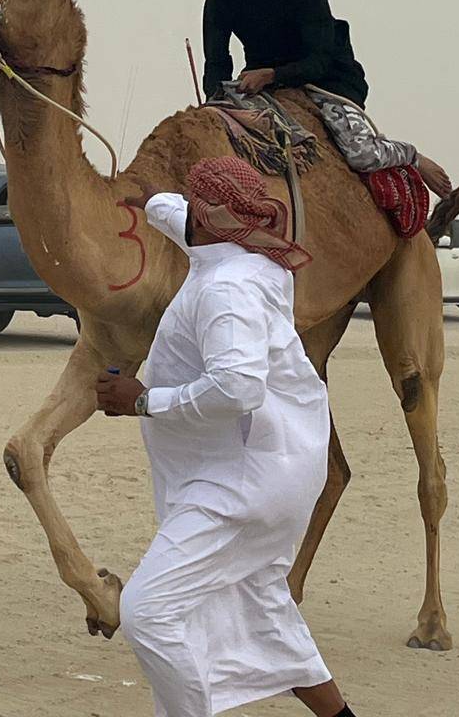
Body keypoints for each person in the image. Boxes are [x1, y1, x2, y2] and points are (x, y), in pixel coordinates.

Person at [96, 157, 358, 717]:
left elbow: (238, 388)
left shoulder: (227, 290)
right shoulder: (247, 253)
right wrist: (146, 198)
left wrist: (141, 401)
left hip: (241, 483)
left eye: (197, 202)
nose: (187, 209)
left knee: (148, 613)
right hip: (280, 464)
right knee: (264, 607)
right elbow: (182, 216)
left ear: (213, 215)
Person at [202, 0, 451, 198]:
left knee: (360, 155)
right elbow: (216, 64)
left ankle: (410, 156)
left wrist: (271, 74)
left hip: (327, 78)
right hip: (263, 87)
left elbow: (319, 59)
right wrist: (214, 104)